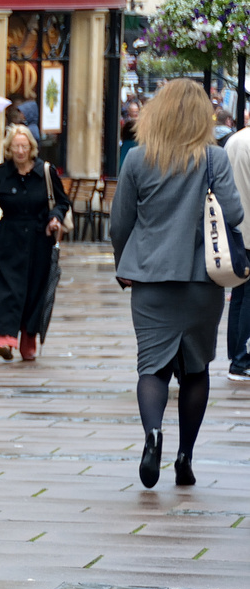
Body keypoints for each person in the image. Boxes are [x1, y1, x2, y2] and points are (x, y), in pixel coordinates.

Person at [110, 78, 249, 488]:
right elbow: (235, 213)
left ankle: (153, 434)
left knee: (151, 368)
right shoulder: (213, 159)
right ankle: (185, 457)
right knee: (196, 369)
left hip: (151, 281)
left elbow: (120, 223)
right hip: (202, 281)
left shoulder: (137, 159)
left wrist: (127, 264)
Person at [0, 125, 66, 362]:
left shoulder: (46, 171)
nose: (20, 150)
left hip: (38, 240)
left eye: (24, 146)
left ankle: (28, 340)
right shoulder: (1, 173)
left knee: (34, 292)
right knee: (5, 290)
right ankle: (6, 341)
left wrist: (55, 218)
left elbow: (62, 202)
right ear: (9, 148)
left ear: (32, 148)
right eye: (15, 146)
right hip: (8, 239)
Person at [223, 123, 250, 381]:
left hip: (235, 230)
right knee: (247, 298)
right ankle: (241, 360)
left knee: (240, 295)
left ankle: (236, 356)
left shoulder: (234, 140)